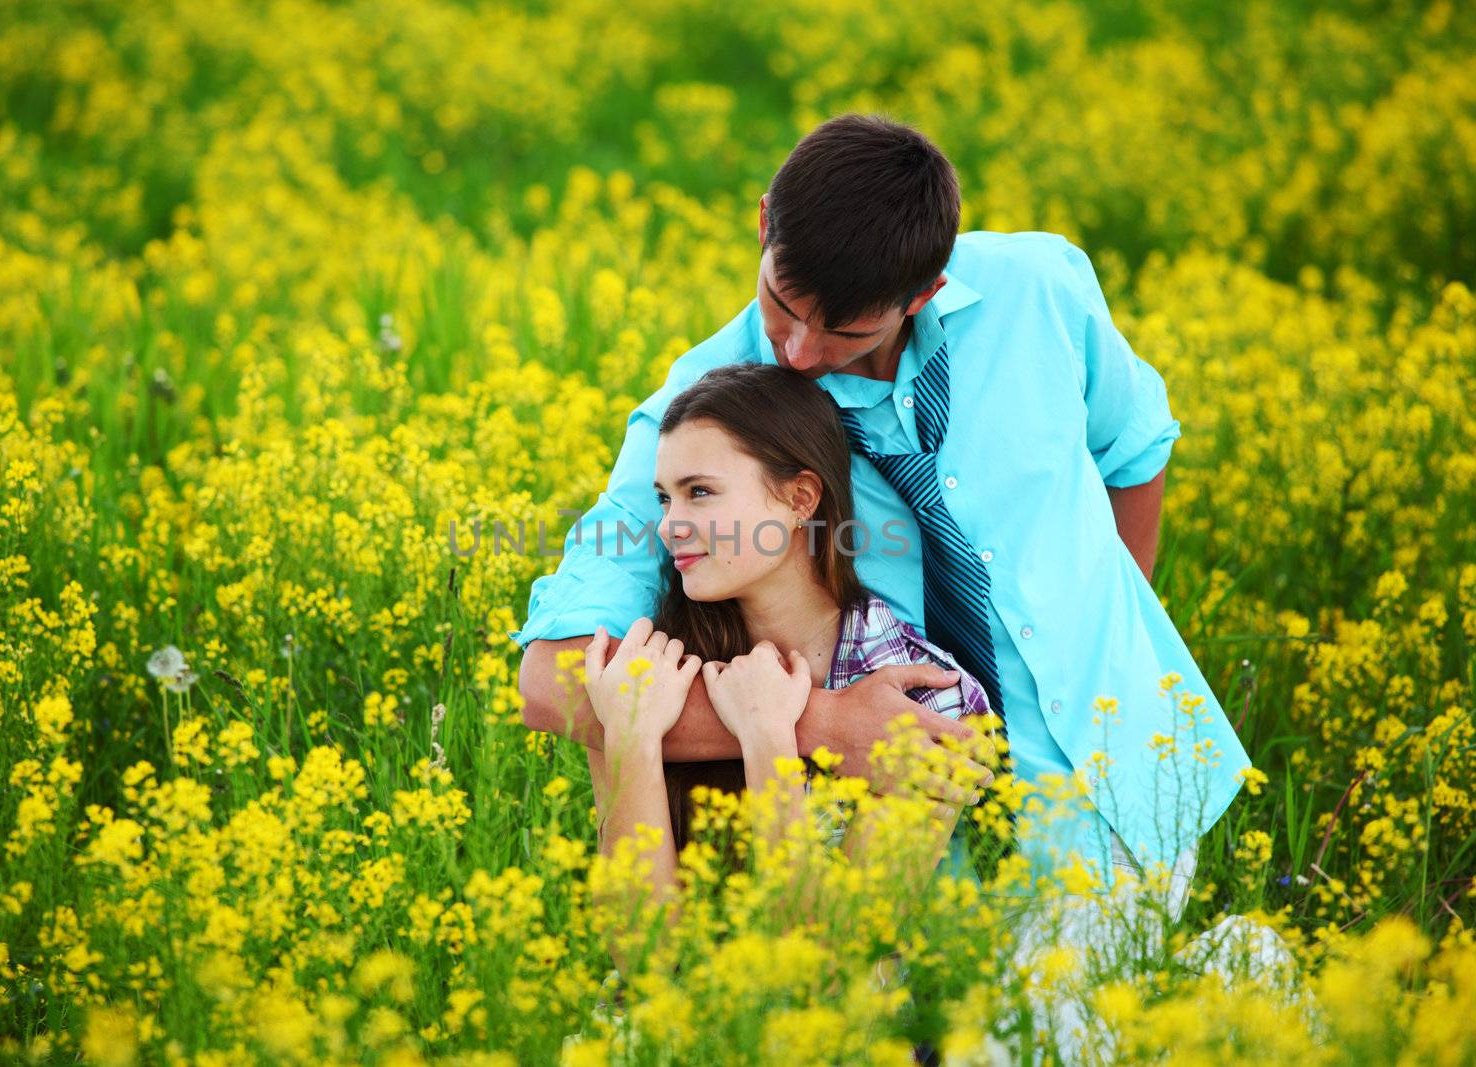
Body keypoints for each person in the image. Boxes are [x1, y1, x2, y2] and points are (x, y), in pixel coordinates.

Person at [513, 111, 1253, 908]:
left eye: (844, 331)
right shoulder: (703, 418)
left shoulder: (1041, 291)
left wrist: (1105, 638)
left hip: (1134, 790)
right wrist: (819, 726)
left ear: (923, 293)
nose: (797, 351)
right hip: (922, 859)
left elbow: (1135, 449)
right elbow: (552, 682)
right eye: (782, 302)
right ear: (764, 223)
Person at [575, 361, 999, 979]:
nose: (669, 525)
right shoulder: (652, 675)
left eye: (701, 492)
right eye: (665, 498)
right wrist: (634, 739)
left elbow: (826, 967)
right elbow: (641, 958)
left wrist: (770, 739)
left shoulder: (930, 700)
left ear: (800, 499)